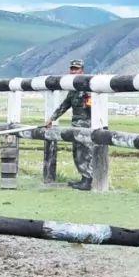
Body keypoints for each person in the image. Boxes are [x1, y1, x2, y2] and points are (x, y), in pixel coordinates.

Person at [44, 59, 94, 190]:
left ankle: (88, 181)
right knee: (77, 153)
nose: (73, 71)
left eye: (76, 69)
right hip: (75, 125)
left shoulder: (88, 87)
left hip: (87, 125)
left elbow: (94, 108)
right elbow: (65, 105)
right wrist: (52, 118)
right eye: (72, 69)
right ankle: (84, 179)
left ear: (82, 70)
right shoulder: (73, 89)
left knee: (86, 152)